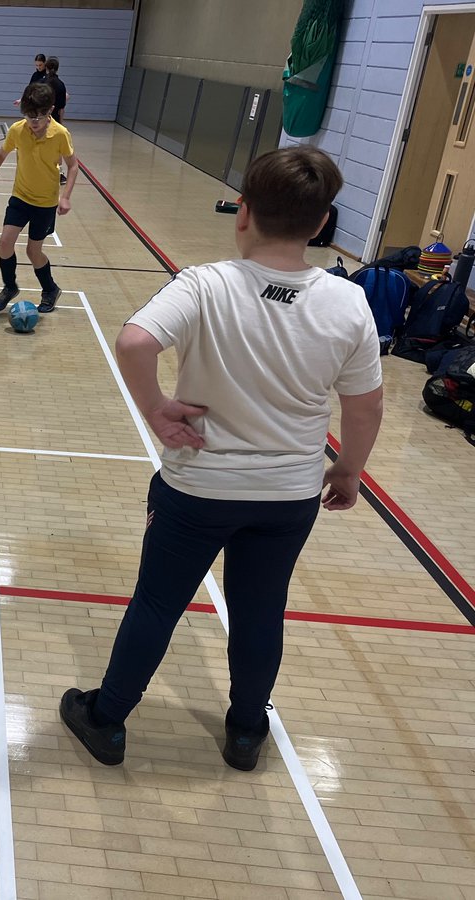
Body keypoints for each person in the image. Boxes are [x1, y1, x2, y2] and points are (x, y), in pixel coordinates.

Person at [59, 145, 384, 771]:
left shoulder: (205, 284)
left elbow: (133, 340)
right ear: (321, 225)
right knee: (261, 608)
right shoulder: (347, 304)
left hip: (198, 490)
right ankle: (244, 733)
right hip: (289, 496)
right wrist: (347, 472)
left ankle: (107, 719)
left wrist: (155, 406)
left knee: (157, 604)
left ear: (243, 212)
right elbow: (364, 410)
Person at [0, 82, 75, 315]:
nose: (34, 123)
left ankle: (50, 289)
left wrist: (66, 196)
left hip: (45, 203)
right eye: (30, 117)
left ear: (50, 110)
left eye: (39, 117)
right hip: (20, 196)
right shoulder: (18, 130)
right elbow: (0, 154)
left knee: (33, 251)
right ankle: (10, 287)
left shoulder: (60, 134)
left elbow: (73, 166)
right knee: (4, 242)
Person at [43, 56, 69, 183]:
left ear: (46, 68)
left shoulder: (42, 83)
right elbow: (61, 109)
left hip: (42, 119)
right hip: (55, 121)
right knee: (57, 148)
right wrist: (61, 124)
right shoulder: (61, 85)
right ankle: (59, 173)